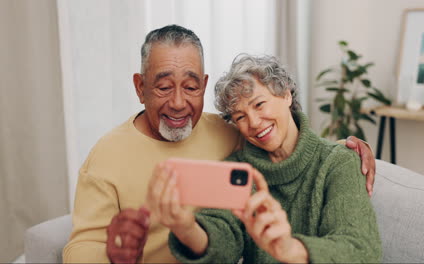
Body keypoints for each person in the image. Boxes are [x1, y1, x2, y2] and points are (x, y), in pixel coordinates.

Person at [62, 25, 376, 263]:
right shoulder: (107, 156)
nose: (178, 102)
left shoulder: (228, 135)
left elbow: (291, 144)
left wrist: (345, 148)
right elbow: (224, 232)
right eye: (162, 86)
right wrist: (180, 230)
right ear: (140, 87)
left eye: (190, 86)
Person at [147, 54, 381, 263]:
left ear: (287, 94)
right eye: (240, 117)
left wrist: (290, 249)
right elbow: (223, 237)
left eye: (259, 104)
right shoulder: (237, 170)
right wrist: (186, 228)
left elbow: (360, 250)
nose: (254, 123)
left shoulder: (338, 163)